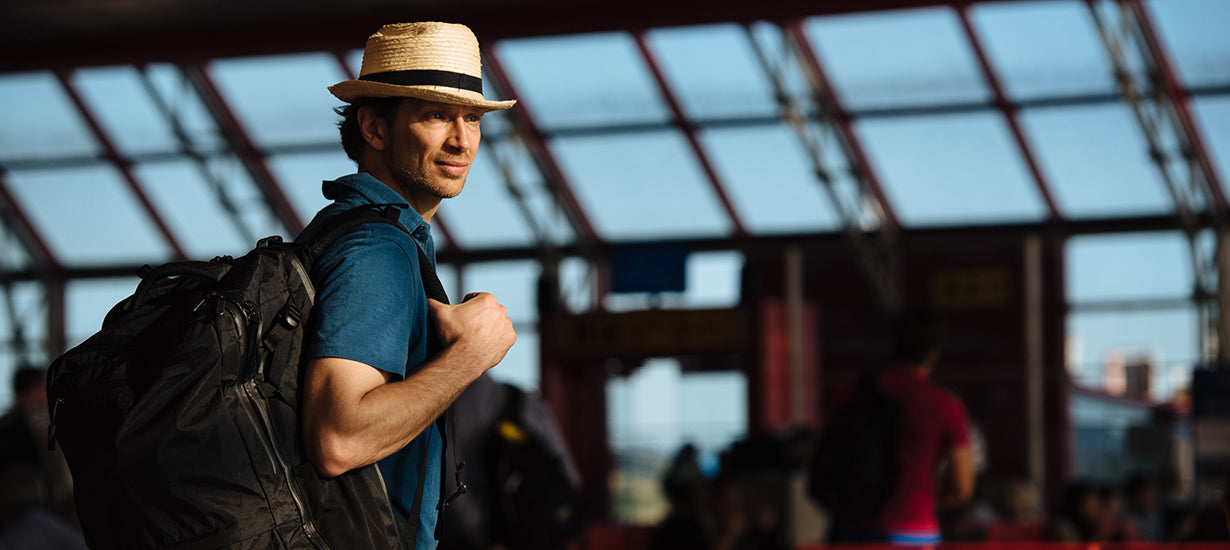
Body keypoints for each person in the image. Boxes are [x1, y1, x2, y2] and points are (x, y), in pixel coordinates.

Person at [299, 21, 518, 550]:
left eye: (472, 117)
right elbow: (338, 437)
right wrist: (473, 354)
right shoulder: (379, 249)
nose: (462, 140)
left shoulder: (351, 231)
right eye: (437, 115)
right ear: (373, 128)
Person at [826, 310, 976, 546]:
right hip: (913, 530)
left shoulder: (851, 392)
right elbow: (962, 487)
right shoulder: (944, 405)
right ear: (934, 352)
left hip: (853, 531)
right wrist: (926, 493)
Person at [439, 373, 581, 550]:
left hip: (492, 530)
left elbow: (452, 478)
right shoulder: (523, 400)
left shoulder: (450, 406)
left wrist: (481, 536)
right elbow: (567, 469)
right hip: (545, 527)